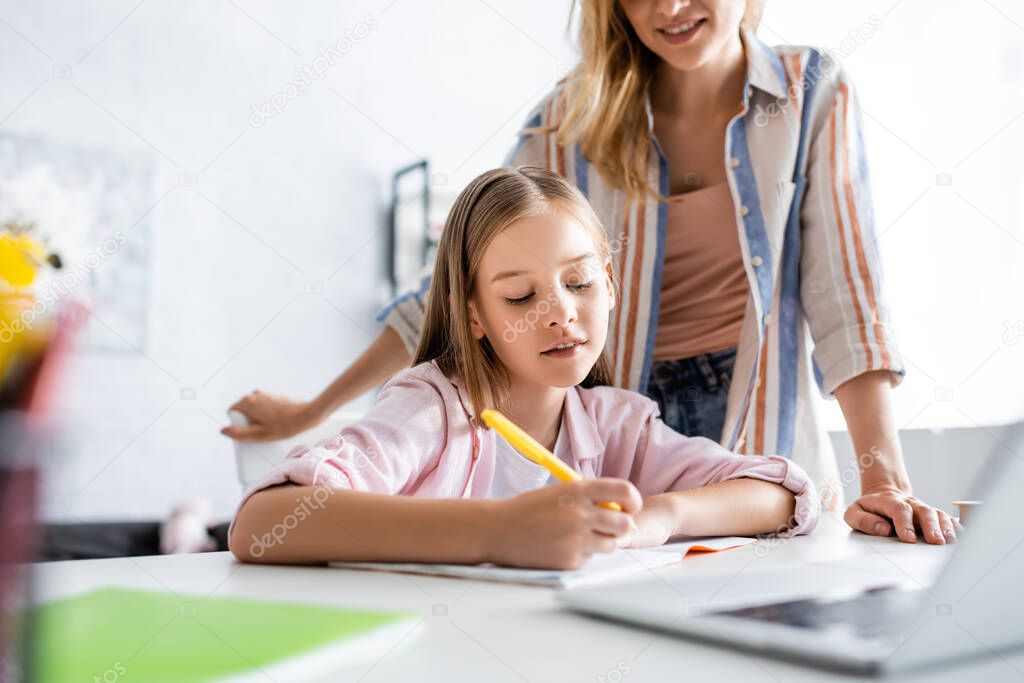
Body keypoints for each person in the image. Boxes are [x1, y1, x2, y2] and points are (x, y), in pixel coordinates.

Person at [225, 0, 959, 545]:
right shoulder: (572, 118)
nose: (667, 9)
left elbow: (845, 298)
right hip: (613, 398)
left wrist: (883, 477)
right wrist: (315, 409)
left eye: (580, 282)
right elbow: (449, 287)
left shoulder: (812, 92)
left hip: (751, 412)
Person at [229, 167, 819, 568]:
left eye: (580, 282)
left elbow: (782, 495)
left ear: (609, 286)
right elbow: (262, 522)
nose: (561, 313)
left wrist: (664, 515)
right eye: (519, 297)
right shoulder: (432, 409)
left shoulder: (616, 425)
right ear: (476, 315)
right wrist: (500, 531)